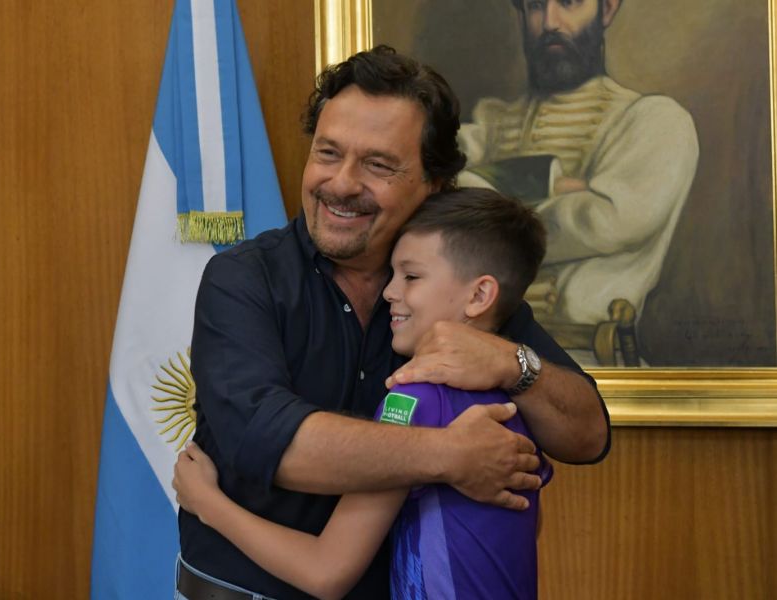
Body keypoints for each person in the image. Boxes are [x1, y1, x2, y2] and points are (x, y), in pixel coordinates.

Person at [175, 45, 609, 600]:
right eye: (328, 153)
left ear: (435, 184)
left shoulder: (454, 296)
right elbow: (271, 444)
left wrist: (511, 362)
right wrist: (454, 457)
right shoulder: (241, 279)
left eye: (378, 165)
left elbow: (587, 435)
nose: (342, 183)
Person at [175, 189, 552, 600]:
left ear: (479, 296)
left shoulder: (413, 400)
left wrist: (209, 504)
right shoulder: (511, 400)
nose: (389, 292)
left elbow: (326, 572)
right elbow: (526, 526)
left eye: (411, 276)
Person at [458, 0, 699, 362]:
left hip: (588, 363)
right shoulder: (488, 124)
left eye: (569, 3)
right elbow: (443, 193)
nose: (550, 22)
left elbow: (608, 221)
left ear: (607, 10)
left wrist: (486, 191)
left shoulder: (656, 122)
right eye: (536, 6)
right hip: (475, 356)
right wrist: (560, 184)